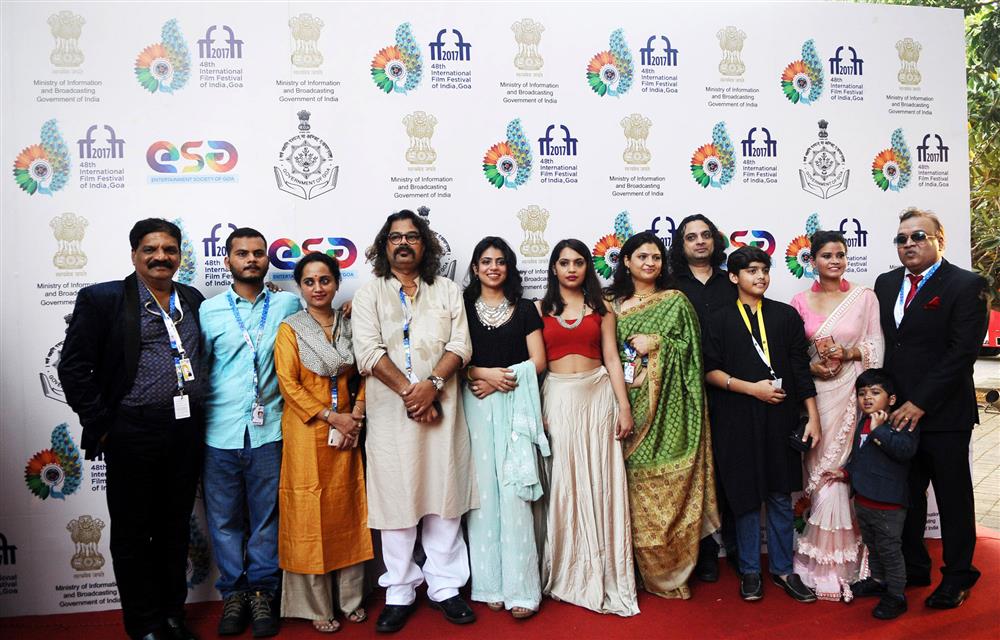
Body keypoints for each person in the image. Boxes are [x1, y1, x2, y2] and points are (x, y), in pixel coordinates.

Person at [58, 219, 206, 640]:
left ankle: (173, 616)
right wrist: (103, 424)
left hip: (185, 431)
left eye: (169, 249)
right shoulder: (103, 299)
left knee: (175, 528)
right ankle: (144, 625)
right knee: (132, 533)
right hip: (131, 432)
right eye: (150, 249)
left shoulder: (191, 298)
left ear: (180, 256)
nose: (161, 256)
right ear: (134, 255)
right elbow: (73, 367)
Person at [351, 210, 478, 633]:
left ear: (425, 244)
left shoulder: (447, 291)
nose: (403, 243)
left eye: (412, 236)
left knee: (444, 497)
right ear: (384, 246)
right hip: (391, 415)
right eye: (394, 237)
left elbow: (461, 343)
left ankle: (445, 587)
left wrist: (433, 384)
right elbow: (366, 351)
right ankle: (400, 589)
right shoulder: (369, 294)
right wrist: (413, 391)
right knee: (397, 502)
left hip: (441, 408)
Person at [873, 207, 989, 609]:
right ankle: (913, 568)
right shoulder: (886, 284)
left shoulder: (966, 284)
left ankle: (958, 576)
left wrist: (920, 403)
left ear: (940, 238)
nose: (909, 244)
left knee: (953, 499)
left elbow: (963, 353)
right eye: (902, 238)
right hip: (897, 416)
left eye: (919, 236)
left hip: (944, 415)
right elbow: (890, 346)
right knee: (906, 496)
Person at [703, 246, 822, 603]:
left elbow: (800, 369)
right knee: (746, 499)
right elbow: (709, 371)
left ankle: (784, 570)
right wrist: (751, 390)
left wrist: (812, 417)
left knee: (781, 497)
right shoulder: (719, 319)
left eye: (764, 270)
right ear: (734, 277)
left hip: (780, 418)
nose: (760, 276)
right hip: (737, 420)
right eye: (751, 270)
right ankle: (751, 572)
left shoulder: (785, 316)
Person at [199, 228, 301, 637]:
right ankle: (233, 595)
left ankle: (262, 593)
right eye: (242, 253)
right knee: (223, 521)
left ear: (266, 260)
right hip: (219, 432)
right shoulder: (208, 311)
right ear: (227, 261)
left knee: (266, 519)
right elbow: (199, 368)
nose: (252, 259)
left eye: (258, 253)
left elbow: (321, 319)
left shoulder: (288, 303)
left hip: (271, 431)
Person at [605, 231, 719, 599]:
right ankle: (634, 571)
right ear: (626, 261)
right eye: (642, 256)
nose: (650, 263)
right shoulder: (610, 304)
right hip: (622, 406)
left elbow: (692, 354)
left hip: (669, 410)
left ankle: (670, 573)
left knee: (667, 494)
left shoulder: (675, 302)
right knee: (631, 493)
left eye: (656, 257)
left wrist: (659, 344)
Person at [536, 238, 639, 617]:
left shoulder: (602, 308)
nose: (572, 269)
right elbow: (536, 362)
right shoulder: (540, 308)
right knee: (565, 484)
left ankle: (605, 570)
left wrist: (623, 406)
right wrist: (538, 409)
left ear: (587, 267)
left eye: (578, 262)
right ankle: (567, 570)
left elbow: (612, 358)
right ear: (554, 268)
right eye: (564, 263)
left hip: (598, 398)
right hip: (558, 398)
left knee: (600, 482)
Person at [275, 252, 374, 633]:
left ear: (336, 282)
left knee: (348, 508)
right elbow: (288, 383)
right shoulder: (290, 328)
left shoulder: (351, 324)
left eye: (325, 280)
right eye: (309, 281)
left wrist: (357, 413)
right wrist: (333, 416)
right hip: (308, 430)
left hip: (349, 428)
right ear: (299, 287)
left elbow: (367, 368)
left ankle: (351, 599)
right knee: (308, 514)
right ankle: (316, 605)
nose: (318, 288)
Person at [789, 230, 884, 602]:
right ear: (812, 260)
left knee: (840, 477)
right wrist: (815, 371)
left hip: (852, 397)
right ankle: (816, 562)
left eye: (840, 255)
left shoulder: (864, 297)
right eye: (826, 255)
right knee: (818, 474)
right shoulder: (799, 301)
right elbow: (795, 356)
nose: (834, 261)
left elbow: (877, 346)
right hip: (817, 400)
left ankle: (843, 564)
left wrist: (848, 355)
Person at [462, 237, 549, 619]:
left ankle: (522, 588)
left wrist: (501, 378)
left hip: (516, 404)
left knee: (515, 494)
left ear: (510, 267)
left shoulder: (526, 308)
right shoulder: (462, 306)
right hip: (475, 403)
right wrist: (481, 373)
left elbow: (539, 361)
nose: (493, 267)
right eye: (486, 261)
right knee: (483, 495)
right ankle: (489, 585)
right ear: (476, 267)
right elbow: (451, 355)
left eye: (500, 261)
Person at [668, 214, 737, 582]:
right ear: (681, 245)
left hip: (730, 389)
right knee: (694, 474)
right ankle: (703, 553)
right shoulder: (670, 286)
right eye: (691, 237)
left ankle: (736, 550)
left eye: (706, 235)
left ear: (715, 241)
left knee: (728, 470)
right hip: (683, 392)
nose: (699, 242)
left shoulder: (733, 282)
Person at [828, 369, 918, 620]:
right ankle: (878, 580)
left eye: (875, 392)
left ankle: (897, 595)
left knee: (890, 549)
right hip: (864, 500)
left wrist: (880, 430)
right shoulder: (862, 422)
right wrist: (845, 473)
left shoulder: (901, 421)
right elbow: (860, 456)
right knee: (873, 545)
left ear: (891, 399)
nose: (867, 398)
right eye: (862, 393)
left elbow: (904, 451)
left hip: (888, 504)